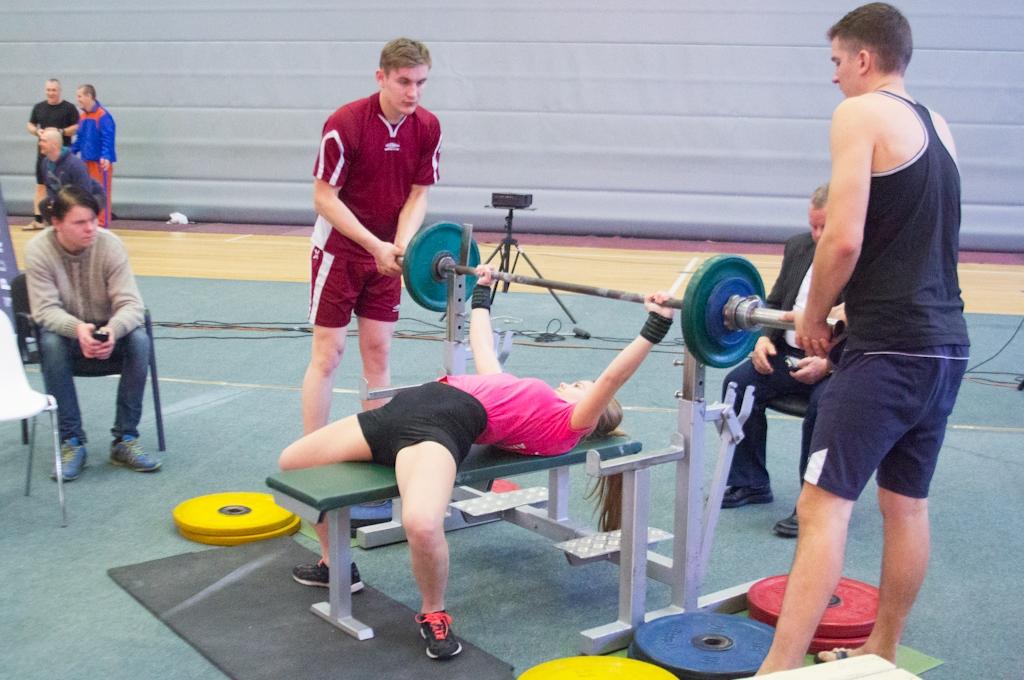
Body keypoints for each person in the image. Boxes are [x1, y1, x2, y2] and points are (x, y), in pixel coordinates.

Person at [281, 272, 675, 660]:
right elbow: (484, 351)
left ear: (592, 410)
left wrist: (655, 324)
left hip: (440, 425)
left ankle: (433, 612)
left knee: (421, 523)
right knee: (294, 462)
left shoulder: (569, 422)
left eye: (582, 386)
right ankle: (336, 566)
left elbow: (613, 376)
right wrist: (482, 295)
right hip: (404, 407)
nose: (575, 381)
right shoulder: (521, 393)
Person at [757, 4, 969, 673]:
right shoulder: (938, 126)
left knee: (822, 508)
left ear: (864, 59)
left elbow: (843, 239)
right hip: (945, 344)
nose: (833, 78)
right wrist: (852, 312)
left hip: (888, 351)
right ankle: (882, 648)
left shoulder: (859, 114)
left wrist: (813, 314)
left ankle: (778, 669)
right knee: (906, 505)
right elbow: (911, 246)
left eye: (835, 62)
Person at [301, 37, 442, 435]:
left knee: (378, 354)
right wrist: (374, 245)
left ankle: (374, 447)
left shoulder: (428, 127)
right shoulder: (344, 124)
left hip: (387, 257)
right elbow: (323, 198)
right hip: (339, 254)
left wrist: (400, 245)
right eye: (403, 82)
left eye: (421, 82)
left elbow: (419, 194)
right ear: (381, 78)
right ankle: (312, 453)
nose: (413, 92)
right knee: (328, 354)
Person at [718, 184, 840, 539]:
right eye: (813, 226)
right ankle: (751, 482)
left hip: (838, 363)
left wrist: (829, 364)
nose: (816, 235)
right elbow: (774, 302)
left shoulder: (865, 258)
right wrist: (762, 341)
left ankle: (812, 504)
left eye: (825, 228)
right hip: (788, 355)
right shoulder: (798, 246)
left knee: (826, 404)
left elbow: (869, 327)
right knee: (738, 386)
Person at [24, 186, 161, 482]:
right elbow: (44, 311)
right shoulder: (38, 250)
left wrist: (112, 330)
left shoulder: (110, 245)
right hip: (68, 338)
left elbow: (131, 305)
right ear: (56, 223)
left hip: (108, 334)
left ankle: (125, 439)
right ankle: (71, 441)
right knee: (50, 342)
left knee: (138, 339)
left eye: (93, 220)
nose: (90, 228)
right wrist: (78, 330)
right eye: (79, 222)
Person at [25, 79, 79, 230]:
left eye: (54, 90)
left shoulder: (69, 108)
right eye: (48, 90)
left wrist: (61, 132)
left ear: (59, 91)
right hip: (43, 156)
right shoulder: (39, 107)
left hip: (63, 157)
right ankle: (38, 220)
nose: (51, 93)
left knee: (64, 189)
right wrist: (37, 131)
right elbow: (30, 125)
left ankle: (66, 220)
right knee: (41, 187)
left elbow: (76, 127)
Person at [71, 84, 116, 227]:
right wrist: (67, 153)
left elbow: (108, 138)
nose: (78, 99)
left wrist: (106, 157)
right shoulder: (83, 116)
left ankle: (103, 226)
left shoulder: (103, 115)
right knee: (87, 195)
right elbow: (79, 140)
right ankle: (92, 224)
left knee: (102, 194)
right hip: (85, 162)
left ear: (89, 96)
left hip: (99, 163)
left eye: (80, 96)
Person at [37, 128, 107, 221]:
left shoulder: (75, 164)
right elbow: (49, 187)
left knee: (75, 211)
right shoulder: (45, 163)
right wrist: (54, 201)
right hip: (67, 198)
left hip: (90, 197)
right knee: (44, 205)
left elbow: (85, 192)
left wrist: (68, 205)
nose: (40, 144)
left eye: (43, 141)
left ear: (54, 145)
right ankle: (56, 231)